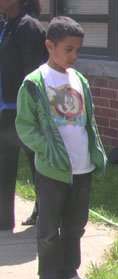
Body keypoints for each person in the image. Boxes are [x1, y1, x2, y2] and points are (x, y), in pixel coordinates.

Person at [15, 16, 107, 279]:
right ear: (49, 46)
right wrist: (47, 150)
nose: (74, 56)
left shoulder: (79, 79)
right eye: (68, 49)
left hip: (82, 167)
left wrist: (94, 153)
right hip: (52, 170)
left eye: (78, 50)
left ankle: (70, 273)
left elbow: (87, 121)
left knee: (75, 226)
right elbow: (25, 127)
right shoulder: (34, 82)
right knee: (49, 228)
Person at [0, 0, 46, 230]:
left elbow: (35, 73)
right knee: (4, 167)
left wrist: (33, 111)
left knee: (38, 163)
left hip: (21, 108)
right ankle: (3, 220)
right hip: (4, 108)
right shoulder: (7, 24)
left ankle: (46, 213)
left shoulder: (29, 27)